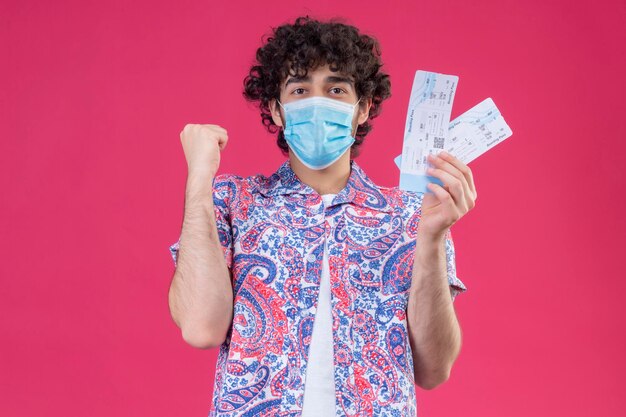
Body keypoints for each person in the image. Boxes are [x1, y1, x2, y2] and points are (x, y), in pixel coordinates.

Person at [168, 15, 477, 417]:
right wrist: (199, 180)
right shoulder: (233, 201)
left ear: (362, 108)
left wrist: (432, 236)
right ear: (277, 111)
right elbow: (200, 328)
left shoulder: (412, 214)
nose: (318, 103)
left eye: (335, 89)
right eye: (300, 89)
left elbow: (434, 370)